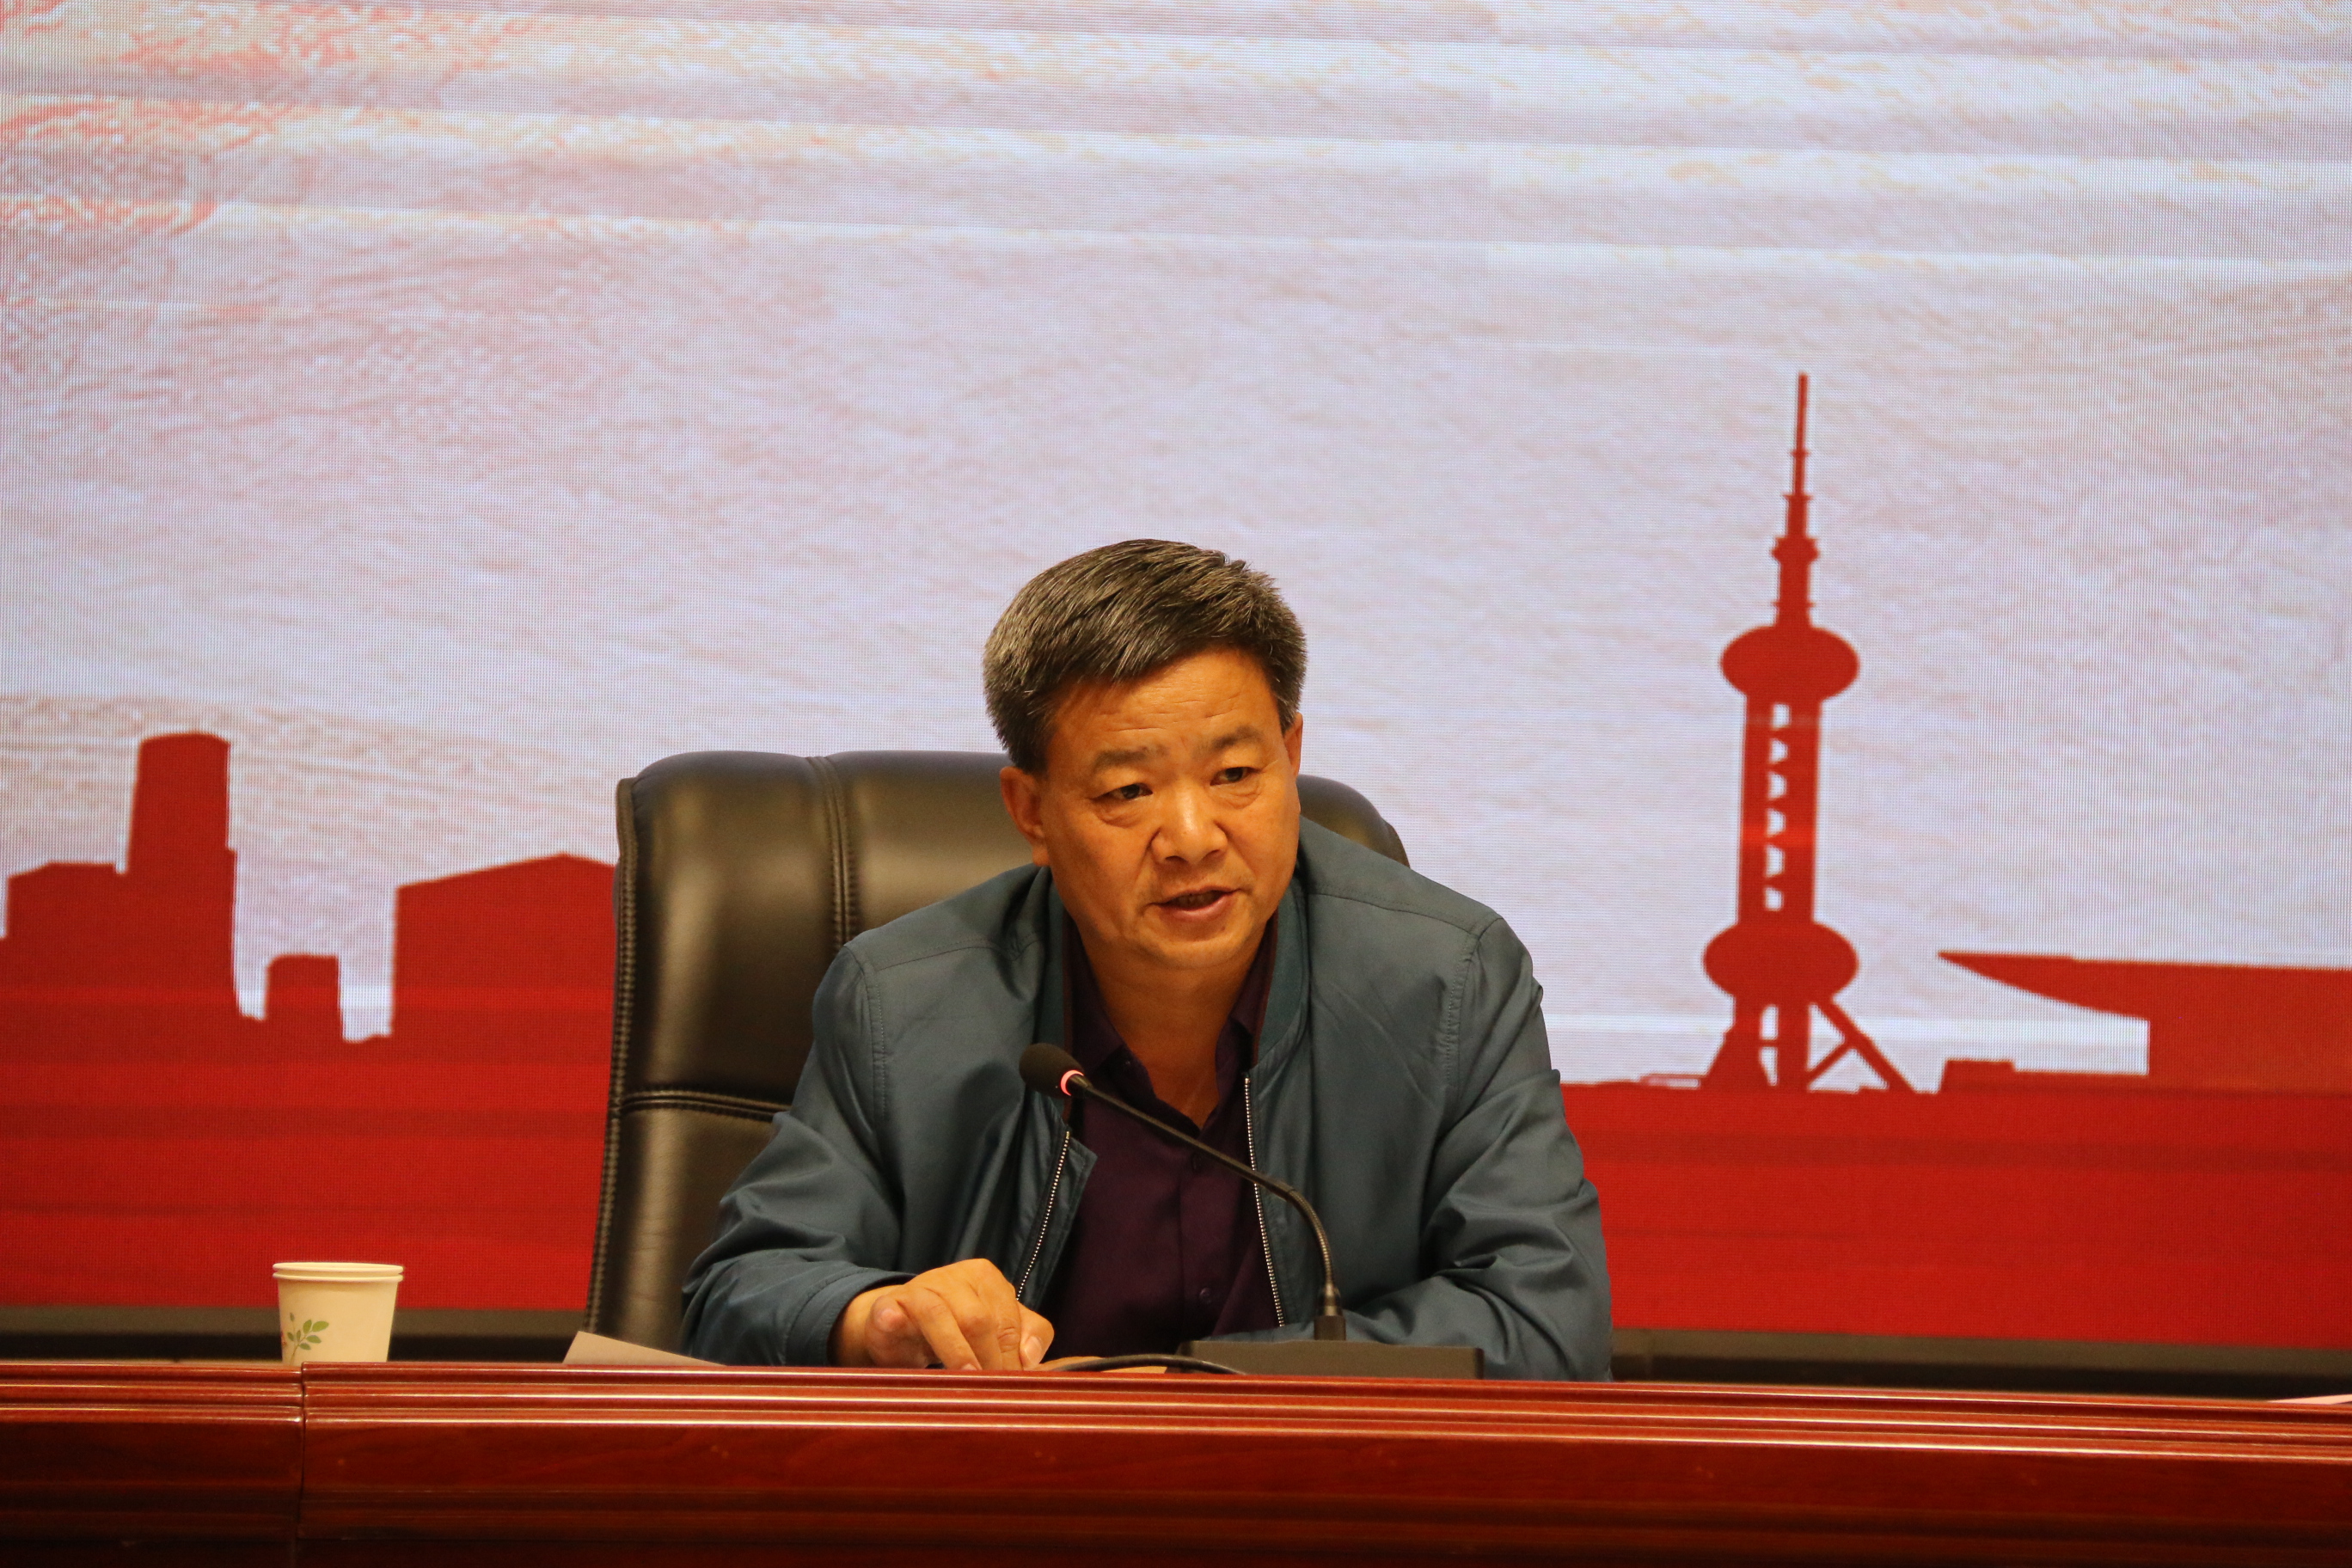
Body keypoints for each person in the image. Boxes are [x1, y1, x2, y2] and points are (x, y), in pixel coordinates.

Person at [680, 541, 1610, 1378]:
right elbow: (741, 1293)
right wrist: (876, 1319)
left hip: (1324, 1495)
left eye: (1235, 775)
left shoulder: (1448, 980)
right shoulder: (901, 1002)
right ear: (1031, 812)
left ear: (1291, 756)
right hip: (1009, 1495)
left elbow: (1542, 1322)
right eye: (1129, 790)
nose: (1194, 837)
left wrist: (1189, 1389)